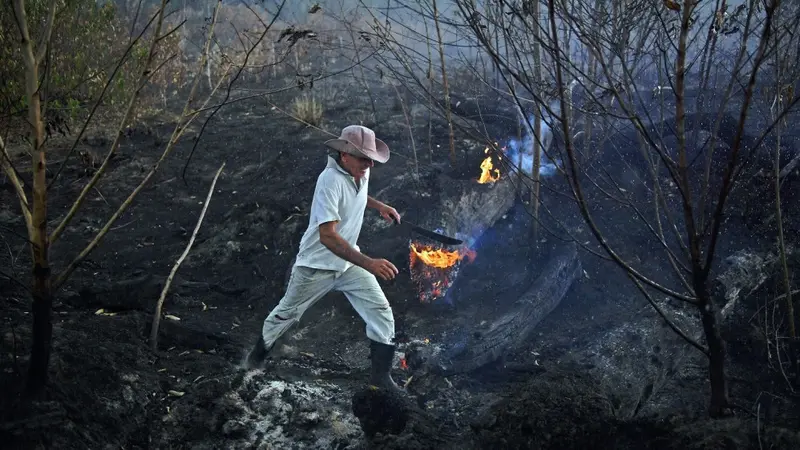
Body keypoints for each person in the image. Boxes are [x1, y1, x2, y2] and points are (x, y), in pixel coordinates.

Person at [245, 125, 404, 393]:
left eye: (370, 159)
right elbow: (327, 237)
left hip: (348, 263)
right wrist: (369, 263)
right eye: (363, 158)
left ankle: (381, 378)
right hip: (316, 266)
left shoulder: (359, 173)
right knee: (286, 315)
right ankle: (252, 363)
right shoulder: (329, 181)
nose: (368, 165)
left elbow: (358, 192)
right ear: (345, 156)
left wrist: (380, 206)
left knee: (380, 312)